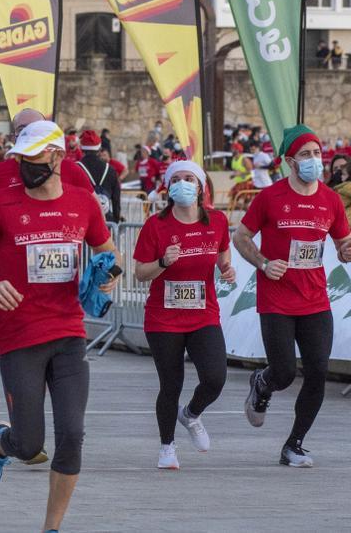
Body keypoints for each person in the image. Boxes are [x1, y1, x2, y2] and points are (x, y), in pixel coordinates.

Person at [0, 120, 119, 532]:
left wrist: (106, 275)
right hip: (19, 338)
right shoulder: (3, 204)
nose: (26, 166)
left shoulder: (83, 203)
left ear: (57, 157)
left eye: (34, 158)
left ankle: (51, 527)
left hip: (68, 334)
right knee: (29, 443)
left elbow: (108, 252)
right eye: (21, 159)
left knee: (73, 435)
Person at [233, 125, 351, 467]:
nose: (314, 160)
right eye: (305, 155)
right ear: (289, 161)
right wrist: (263, 262)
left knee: (317, 371)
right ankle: (263, 382)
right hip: (276, 298)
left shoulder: (330, 200)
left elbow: (342, 242)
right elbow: (241, 237)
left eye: (317, 153)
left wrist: (345, 250)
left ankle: (294, 445)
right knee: (284, 373)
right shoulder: (270, 198)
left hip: (315, 298)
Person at [133, 161, 234, 469]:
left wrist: (227, 269)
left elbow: (223, 254)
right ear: (168, 187)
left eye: (188, 178)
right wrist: (163, 261)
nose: (182, 183)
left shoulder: (216, 220)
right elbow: (140, 272)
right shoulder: (156, 225)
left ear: (200, 185)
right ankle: (167, 447)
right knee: (170, 383)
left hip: (203, 314)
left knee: (215, 377)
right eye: (175, 179)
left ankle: (190, 414)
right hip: (164, 318)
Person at [0, 109, 93, 227]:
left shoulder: (70, 169)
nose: (29, 132)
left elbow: (95, 208)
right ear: (13, 135)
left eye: (36, 127)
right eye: (22, 129)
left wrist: (77, 234)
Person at [79, 130, 122, 224]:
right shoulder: (110, 169)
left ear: (82, 149)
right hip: (105, 221)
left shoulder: (75, 168)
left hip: (82, 221)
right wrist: (116, 220)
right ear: (99, 149)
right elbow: (116, 199)